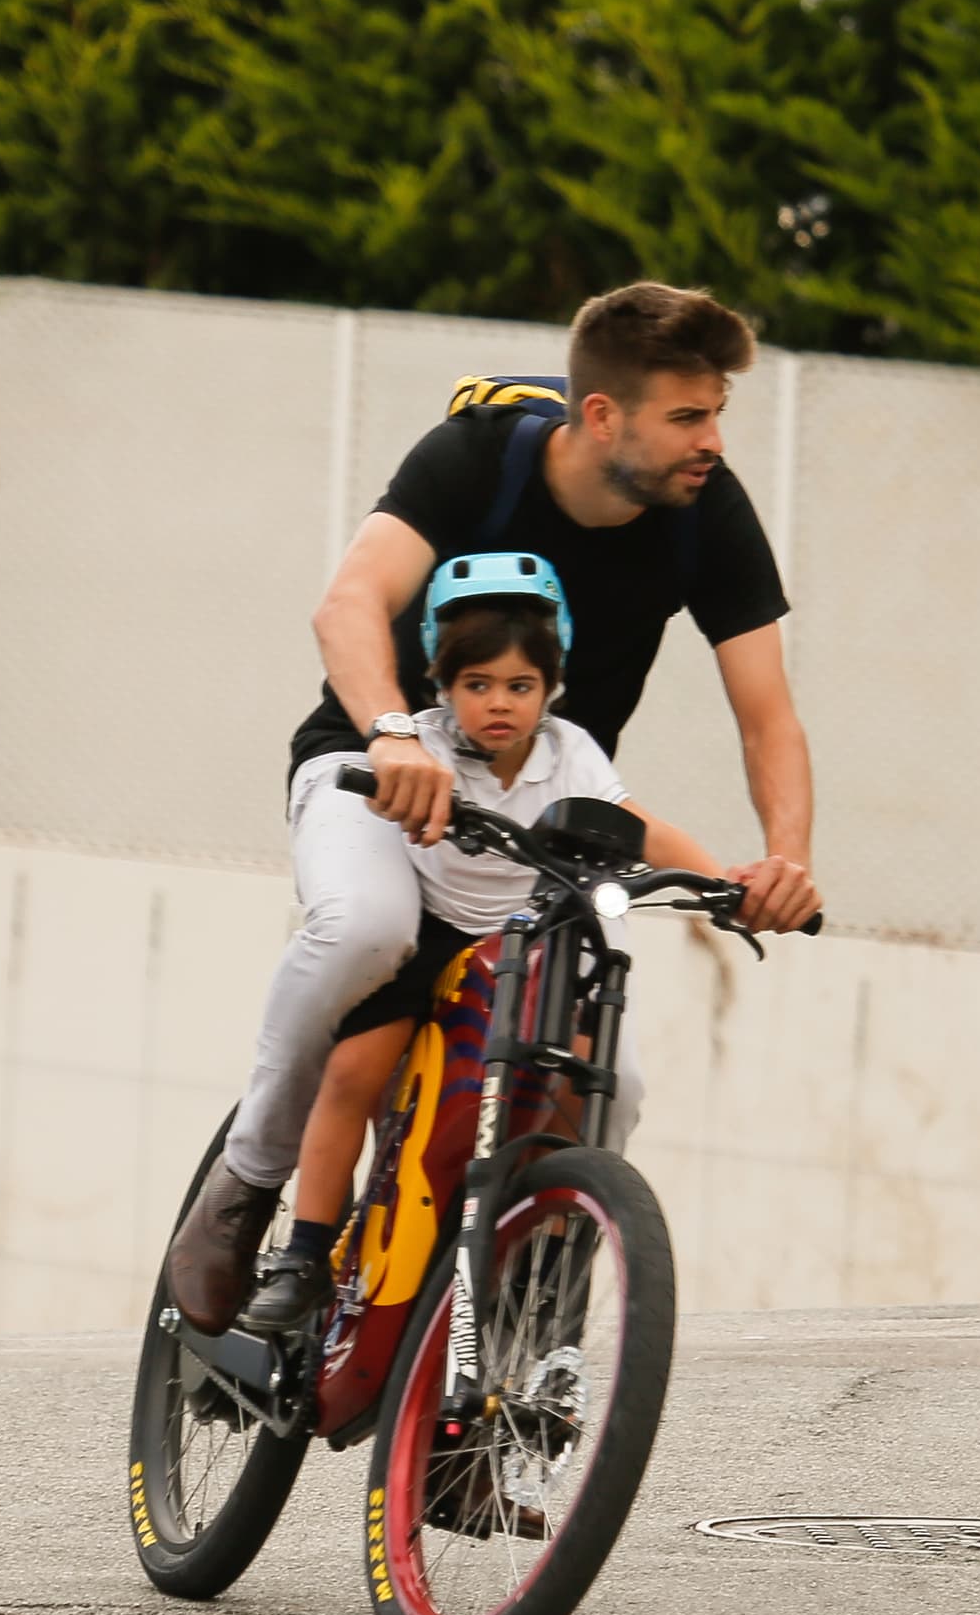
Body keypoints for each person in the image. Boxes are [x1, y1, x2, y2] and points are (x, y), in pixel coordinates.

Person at [167, 281, 821, 1337]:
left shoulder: (707, 511)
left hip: (543, 811)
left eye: (717, 414)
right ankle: (246, 1188)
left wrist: (778, 862)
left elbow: (767, 715)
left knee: (609, 1083)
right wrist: (386, 729)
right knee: (364, 928)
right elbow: (346, 604)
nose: (711, 440)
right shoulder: (477, 457)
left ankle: (519, 1343)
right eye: (688, 416)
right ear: (601, 415)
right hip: (376, 768)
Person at [238, 559, 753, 1330]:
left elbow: (638, 827)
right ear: (442, 684)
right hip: (435, 936)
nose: (499, 704)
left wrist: (724, 885)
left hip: (527, 946)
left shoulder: (572, 752)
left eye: (520, 685)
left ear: (552, 686)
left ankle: (544, 1266)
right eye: (477, 684)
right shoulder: (423, 746)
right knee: (353, 1069)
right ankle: (303, 1254)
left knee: (587, 1077)